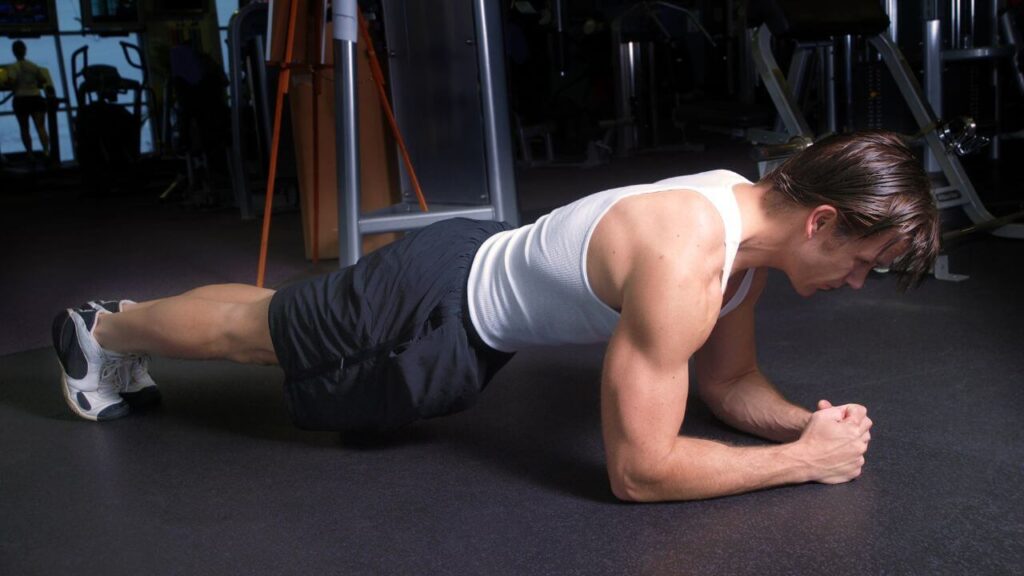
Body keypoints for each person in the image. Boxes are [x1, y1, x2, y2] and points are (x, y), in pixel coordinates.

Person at [52, 131, 939, 502]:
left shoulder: (740, 238)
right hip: (430, 304)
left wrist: (806, 425)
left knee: (277, 315)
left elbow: (729, 381)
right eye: (863, 263)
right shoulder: (685, 260)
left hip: (467, 298)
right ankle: (103, 334)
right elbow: (640, 472)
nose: (857, 283)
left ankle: (119, 320)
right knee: (259, 340)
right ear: (822, 220)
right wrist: (797, 466)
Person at [8, 41, 51, 161]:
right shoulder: (34, 66)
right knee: (41, 127)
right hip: (36, 99)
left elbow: (11, 82)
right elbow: (42, 80)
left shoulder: (13, 67)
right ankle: (47, 152)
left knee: (24, 128)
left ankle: (30, 155)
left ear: (14, 52)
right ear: (25, 50)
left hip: (21, 101)